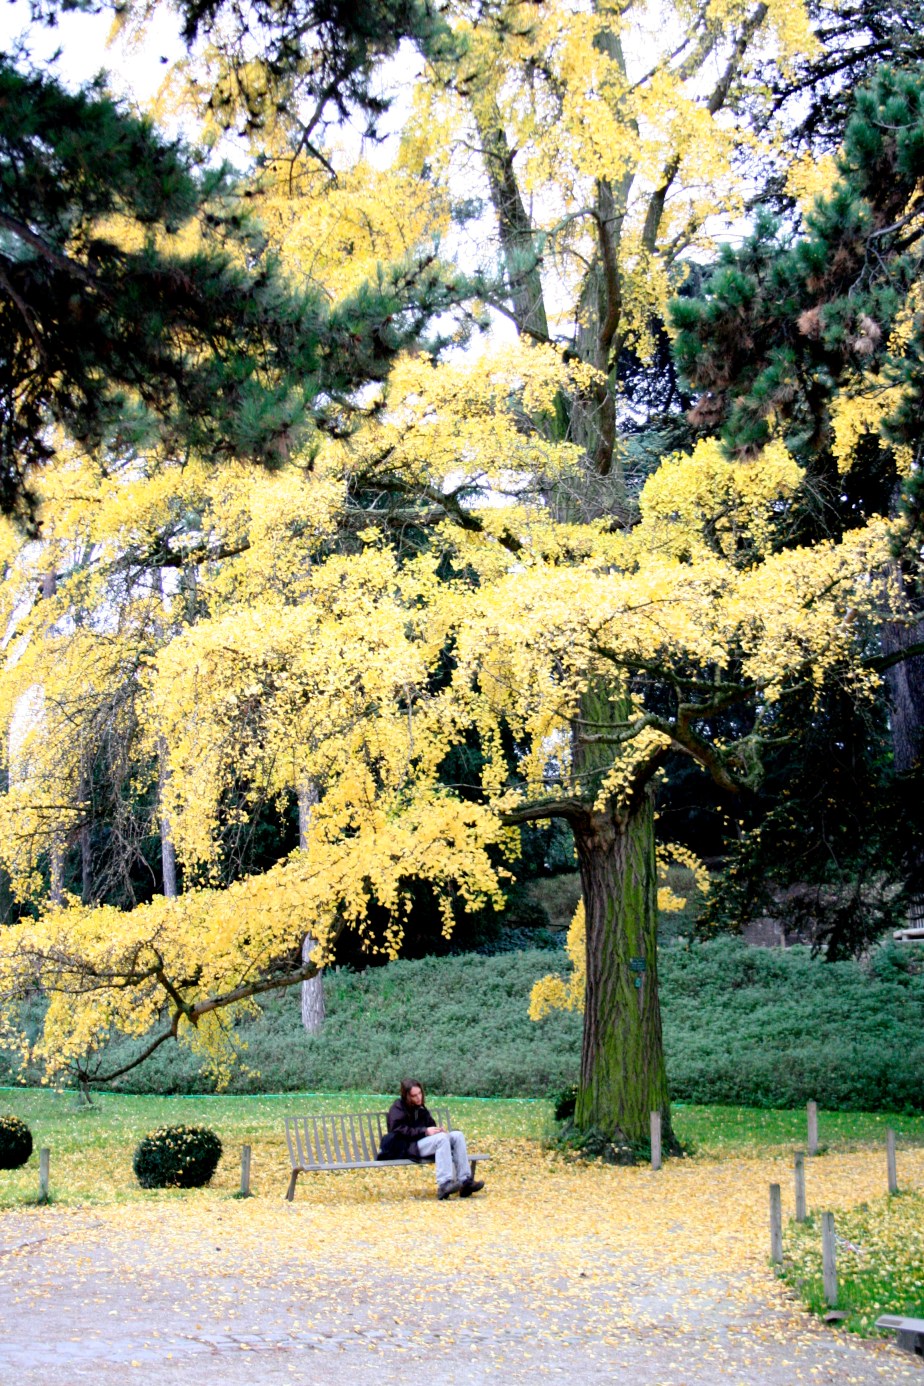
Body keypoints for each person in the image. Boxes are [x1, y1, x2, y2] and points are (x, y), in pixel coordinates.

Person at [383, 1078, 485, 1200]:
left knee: (457, 1135)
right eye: (414, 1095)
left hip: (423, 1143)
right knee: (441, 1139)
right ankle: (444, 1184)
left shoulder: (421, 1108)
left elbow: (430, 1125)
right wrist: (424, 1131)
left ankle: (465, 1182)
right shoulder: (398, 1107)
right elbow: (397, 1130)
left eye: (420, 1093)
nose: (418, 1098)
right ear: (407, 1096)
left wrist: (437, 1130)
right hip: (408, 1146)